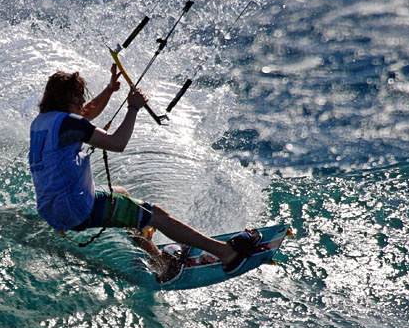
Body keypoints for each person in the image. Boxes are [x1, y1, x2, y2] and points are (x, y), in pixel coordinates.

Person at [28, 66, 260, 283]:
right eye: (76, 96)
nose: (82, 100)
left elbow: (85, 113)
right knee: (156, 214)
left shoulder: (43, 122)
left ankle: (158, 258)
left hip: (52, 210)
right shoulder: (69, 122)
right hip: (76, 208)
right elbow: (117, 143)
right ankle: (226, 253)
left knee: (120, 193)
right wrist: (133, 108)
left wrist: (109, 90)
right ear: (62, 99)